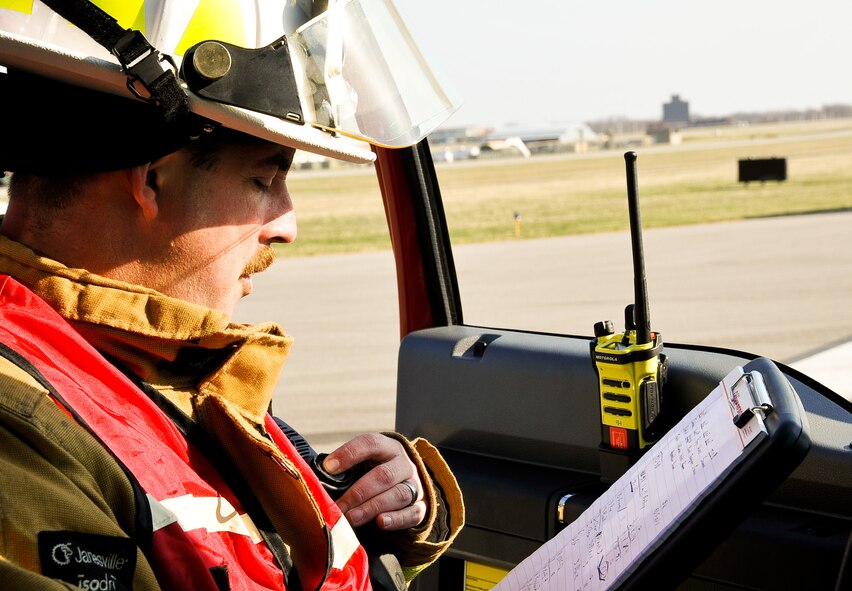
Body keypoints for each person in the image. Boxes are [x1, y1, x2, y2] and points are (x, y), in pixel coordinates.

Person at [0, 1, 463, 589]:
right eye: (264, 180)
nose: (286, 224)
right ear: (153, 177)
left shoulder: (159, 365)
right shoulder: (21, 427)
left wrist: (380, 514)